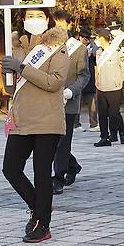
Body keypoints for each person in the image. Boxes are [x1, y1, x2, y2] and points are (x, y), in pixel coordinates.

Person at [0, 8, 69, 243]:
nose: (34, 20)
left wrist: (22, 68)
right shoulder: (15, 46)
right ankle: (39, 207)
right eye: (30, 16)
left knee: (42, 173)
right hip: (22, 118)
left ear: (47, 19)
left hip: (47, 119)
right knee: (10, 168)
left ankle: (42, 224)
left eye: (39, 15)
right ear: (22, 19)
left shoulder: (57, 45)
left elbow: (55, 82)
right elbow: (11, 90)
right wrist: (7, 73)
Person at [52, 11, 89, 195]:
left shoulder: (79, 49)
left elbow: (84, 76)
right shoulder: (46, 47)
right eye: (56, 22)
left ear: (69, 25)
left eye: (62, 23)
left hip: (69, 102)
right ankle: (72, 165)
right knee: (53, 141)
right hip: (49, 101)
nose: (59, 26)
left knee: (62, 142)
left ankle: (58, 178)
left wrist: (71, 91)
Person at [93, 27, 124, 147]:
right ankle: (104, 137)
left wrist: (117, 81)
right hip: (101, 87)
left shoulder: (116, 52)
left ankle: (122, 130)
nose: (96, 40)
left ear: (103, 38)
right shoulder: (98, 52)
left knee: (114, 113)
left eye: (97, 37)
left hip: (114, 88)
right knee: (102, 114)